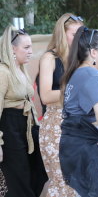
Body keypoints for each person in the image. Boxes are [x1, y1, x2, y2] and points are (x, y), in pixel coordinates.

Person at [59, 26, 98, 196]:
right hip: (87, 148)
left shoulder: (77, 73)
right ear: (93, 52)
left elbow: (85, 113)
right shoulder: (91, 74)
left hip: (74, 147)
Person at [38, 13, 83, 197]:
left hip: (77, 124)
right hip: (55, 125)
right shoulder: (49, 58)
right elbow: (46, 95)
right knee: (61, 183)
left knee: (76, 183)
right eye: (74, 34)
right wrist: (74, 89)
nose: (79, 38)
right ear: (61, 34)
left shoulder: (78, 58)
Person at [0, 26, 47, 197]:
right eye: (26, 47)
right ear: (12, 49)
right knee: (18, 180)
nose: (30, 52)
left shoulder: (21, 70)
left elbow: (30, 102)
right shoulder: (3, 72)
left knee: (37, 173)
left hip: (26, 127)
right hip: (9, 129)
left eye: (31, 47)